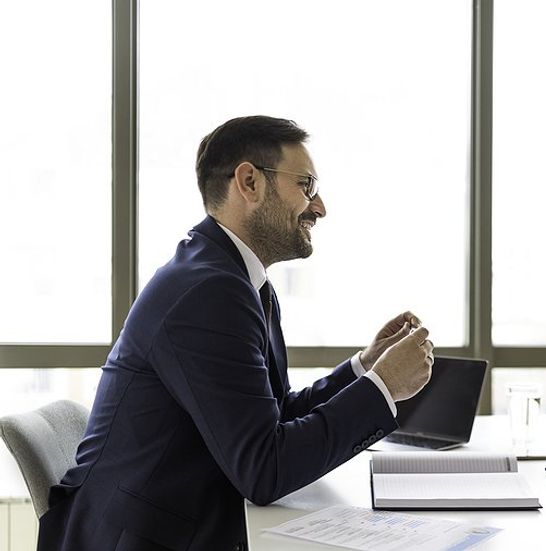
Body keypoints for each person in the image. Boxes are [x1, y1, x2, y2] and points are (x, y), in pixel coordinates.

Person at [37, 116, 435, 551]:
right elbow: (265, 471)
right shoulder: (209, 290)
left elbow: (274, 416)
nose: (319, 207)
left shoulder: (237, 278)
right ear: (249, 182)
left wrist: (365, 369)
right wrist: (384, 388)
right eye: (306, 185)